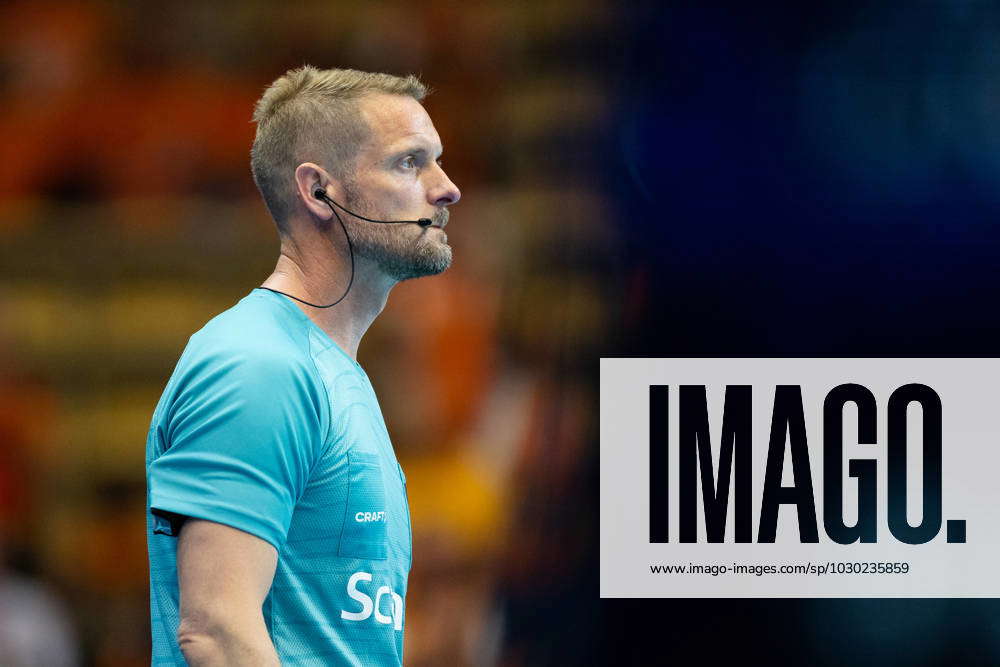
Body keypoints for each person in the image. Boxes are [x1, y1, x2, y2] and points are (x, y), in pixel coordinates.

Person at [144, 65, 461, 666]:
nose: (446, 188)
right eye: (408, 162)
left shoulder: (334, 374)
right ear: (319, 192)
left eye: (437, 161)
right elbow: (216, 632)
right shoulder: (258, 365)